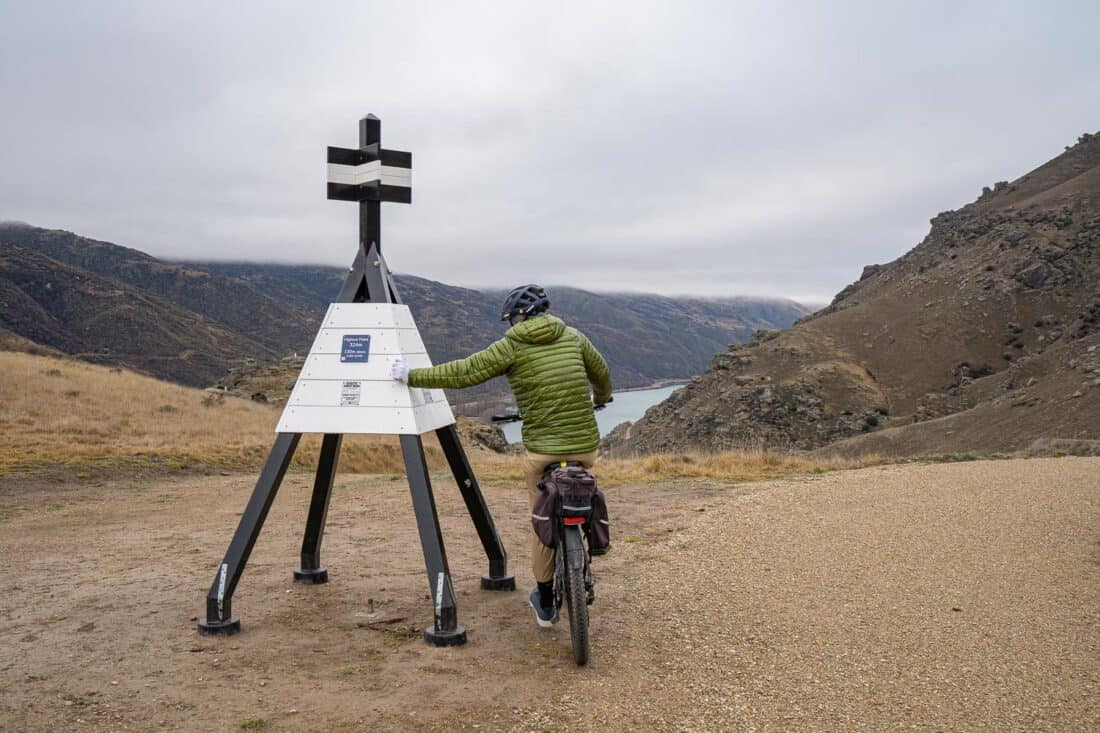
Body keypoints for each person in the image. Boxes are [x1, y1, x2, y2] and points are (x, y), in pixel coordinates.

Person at [390, 284, 612, 627]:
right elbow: (602, 375)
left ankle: (546, 601)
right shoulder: (574, 337)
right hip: (585, 445)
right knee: (581, 486)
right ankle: (588, 537)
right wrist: (600, 398)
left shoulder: (511, 346)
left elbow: (464, 372)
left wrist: (412, 375)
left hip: (543, 452)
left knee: (542, 517)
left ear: (519, 318)